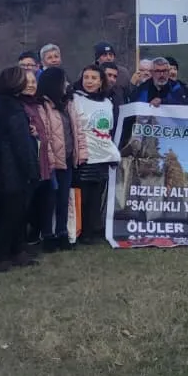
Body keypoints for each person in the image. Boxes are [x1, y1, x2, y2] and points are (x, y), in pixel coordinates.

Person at [0, 67, 41, 272]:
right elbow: (21, 144)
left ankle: (17, 250)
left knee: (12, 213)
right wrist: (31, 170)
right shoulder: (14, 110)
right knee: (12, 214)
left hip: (2, 166)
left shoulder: (2, 105)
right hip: (12, 169)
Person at [28, 67, 87, 252]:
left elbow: (77, 129)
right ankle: (47, 235)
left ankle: (62, 232)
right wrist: (50, 160)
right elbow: (45, 135)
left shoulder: (68, 103)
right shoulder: (42, 106)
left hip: (68, 158)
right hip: (52, 161)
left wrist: (81, 153)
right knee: (49, 199)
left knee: (63, 198)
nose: (67, 85)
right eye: (63, 82)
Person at [72, 64, 122, 245]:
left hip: (103, 156)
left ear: (101, 81)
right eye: (86, 77)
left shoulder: (107, 102)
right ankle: (79, 231)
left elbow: (107, 129)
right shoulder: (75, 99)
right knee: (82, 197)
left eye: (93, 78)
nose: (89, 81)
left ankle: (91, 231)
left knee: (96, 197)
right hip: (85, 156)